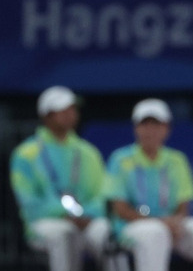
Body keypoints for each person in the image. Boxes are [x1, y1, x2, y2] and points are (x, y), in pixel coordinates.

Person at [105, 98, 193, 271]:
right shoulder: (120, 159)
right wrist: (160, 223)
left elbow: (183, 207)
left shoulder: (176, 160)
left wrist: (175, 223)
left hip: (170, 225)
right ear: (136, 128)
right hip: (131, 228)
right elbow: (120, 209)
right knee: (155, 233)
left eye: (156, 125)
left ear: (167, 129)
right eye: (145, 124)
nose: (150, 130)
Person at [10, 85, 128, 271]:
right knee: (64, 234)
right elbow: (29, 202)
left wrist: (86, 215)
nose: (70, 114)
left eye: (72, 109)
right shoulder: (25, 154)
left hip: (87, 220)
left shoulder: (88, 152)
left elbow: (102, 195)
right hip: (43, 223)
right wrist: (64, 215)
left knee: (107, 232)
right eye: (62, 110)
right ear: (46, 115)